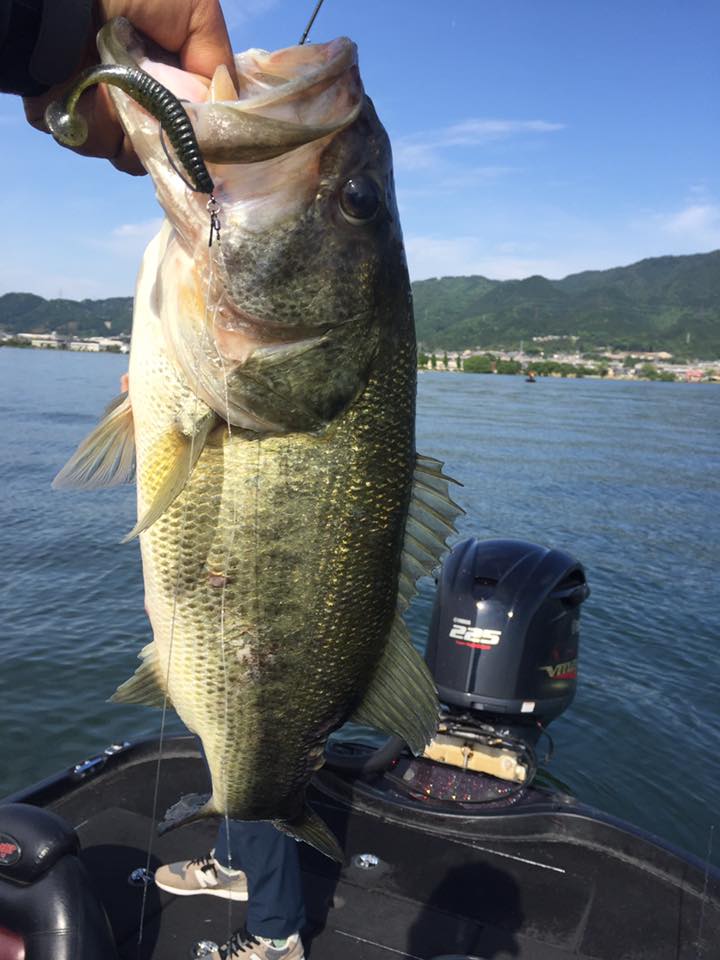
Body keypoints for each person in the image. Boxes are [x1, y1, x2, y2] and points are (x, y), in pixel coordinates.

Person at [0, 3, 306, 958]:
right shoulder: (203, 286)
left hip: (244, 616)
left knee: (252, 728)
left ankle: (278, 934)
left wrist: (56, 28)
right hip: (227, 590)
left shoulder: (238, 337)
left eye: (350, 207)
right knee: (238, 721)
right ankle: (239, 860)